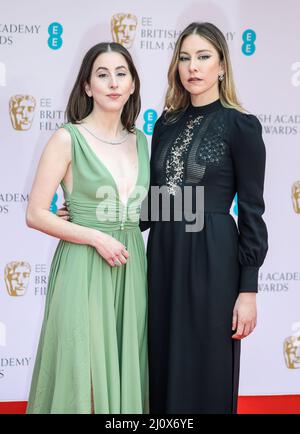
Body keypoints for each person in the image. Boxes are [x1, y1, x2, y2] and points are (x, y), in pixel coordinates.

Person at [140, 22, 268, 414]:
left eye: (203, 56)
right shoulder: (164, 124)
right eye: (184, 58)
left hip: (213, 258)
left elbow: (252, 210)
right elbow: (152, 205)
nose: (192, 67)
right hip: (163, 257)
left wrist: (248, 289)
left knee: (207, 367)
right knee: (161, 363)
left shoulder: (240, 125)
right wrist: (90, 213)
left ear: (222, 66)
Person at [25, 42, 149, 414]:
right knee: (83, 378)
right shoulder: (67, 138)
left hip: (131, 271)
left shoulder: (141, 141)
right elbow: (35, 213)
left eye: (121, 73)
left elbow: (152, 209)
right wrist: (93, 234)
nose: (113, 82)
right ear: (87, 86)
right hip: (82, 269)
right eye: (102, 74)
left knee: (126, 373)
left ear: (132, 86)